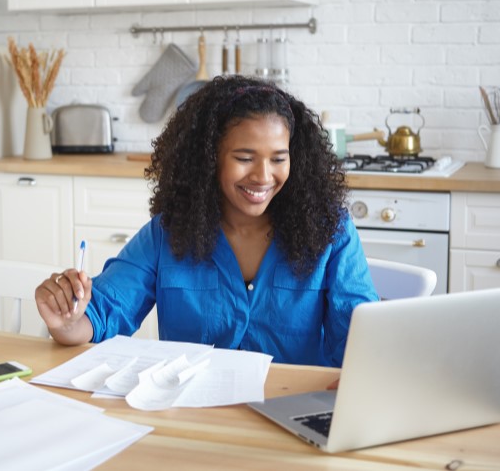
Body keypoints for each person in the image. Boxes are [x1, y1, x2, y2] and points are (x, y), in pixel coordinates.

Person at [34, 75, 378, 368]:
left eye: (278, 158)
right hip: (195, 414)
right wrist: (66, 320)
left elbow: (362, 337)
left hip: (294, 415)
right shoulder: (167, 234)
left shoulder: (330, 231)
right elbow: (102, 314)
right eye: (244, 158)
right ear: (209, 158)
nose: (263, 176)